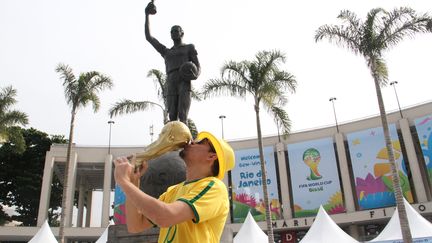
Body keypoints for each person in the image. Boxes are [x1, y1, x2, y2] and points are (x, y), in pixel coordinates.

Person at [113, 131, 235, 243]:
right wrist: (133, 182)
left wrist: (125, 183)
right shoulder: (173, 190)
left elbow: (166, 217)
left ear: (211, 156)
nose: (192, 142)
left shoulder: (215, 187)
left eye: (200, 142)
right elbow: (135, 225)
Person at [145, 2, 201, 124]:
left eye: (176, 30)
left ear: (182, 33)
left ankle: (185, 142)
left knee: (183, 115)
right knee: (172, 116)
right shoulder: (166, 52)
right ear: (170, 35)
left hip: (184, 80)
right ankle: (174, 142)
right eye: (172, 31)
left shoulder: (189, 48)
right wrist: (146, 15)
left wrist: (195, 74)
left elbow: (198, 67)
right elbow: (149, 37)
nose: (174, 32)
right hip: (171, 81)